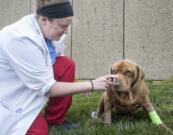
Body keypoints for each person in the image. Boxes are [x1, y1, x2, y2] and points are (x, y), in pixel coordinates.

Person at [0, 0, 117, 135]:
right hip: (10, 95)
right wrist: (91, 84)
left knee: (66, 65)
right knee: (39, 131)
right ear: (44, 19)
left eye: (67, 26)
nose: (66, 31)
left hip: (28, 82)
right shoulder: (20, 39)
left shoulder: (43, 28)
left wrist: (84, 85)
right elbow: (47, 88)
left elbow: (52, 63)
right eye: (62, 26)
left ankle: (55, 119)